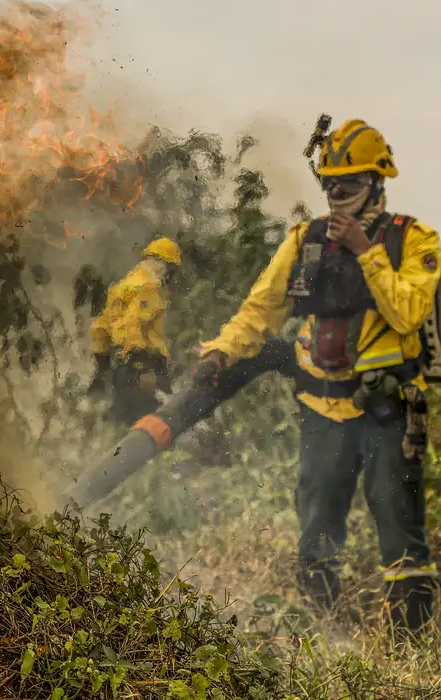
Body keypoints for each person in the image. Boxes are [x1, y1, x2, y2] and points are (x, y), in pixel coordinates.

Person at [193, 119, 439, 636]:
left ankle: (409, 646)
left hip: (387, 412)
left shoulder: (412, 240)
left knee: (400, 532)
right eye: (328, 184)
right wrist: (220, 352)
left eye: (346, 184)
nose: (335, 194)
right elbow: (259, 311)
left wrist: (366, 252)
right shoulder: (304, 242)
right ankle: (325, 639)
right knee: (317, 533)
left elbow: (408, 313)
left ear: (375, 182)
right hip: (321, 410)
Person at [87, 237, 182, 427]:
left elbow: (100, 328)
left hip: (121, 369)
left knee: (123, 426)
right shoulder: (149, 287)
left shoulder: (122, 286)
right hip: (142, 368)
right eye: (171, 269)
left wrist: (102, 367)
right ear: (163, 264)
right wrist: (143, 367)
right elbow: (133, 324)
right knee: (154, 427)